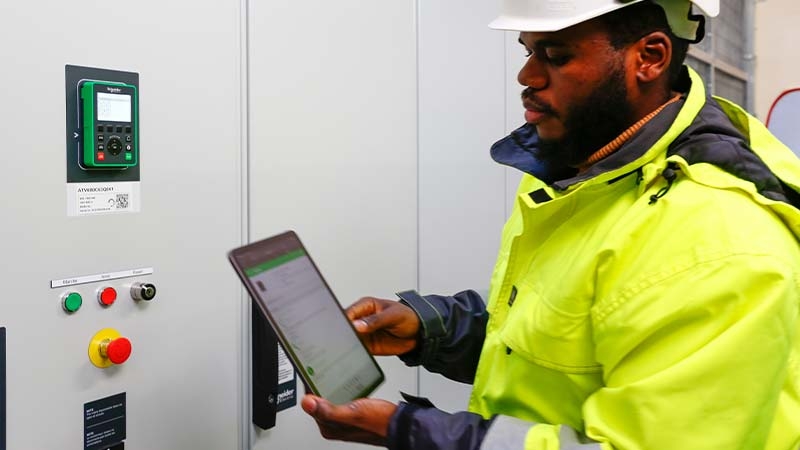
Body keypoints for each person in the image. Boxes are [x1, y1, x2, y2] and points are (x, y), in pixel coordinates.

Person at [301, 0, 800, 448]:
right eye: (528, 50)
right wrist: (435, 331)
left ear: (649, 57)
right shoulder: (582, 167)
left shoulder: (717, 243)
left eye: (555, 56)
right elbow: (569, 344)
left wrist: (409, 430)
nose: (527, 76)